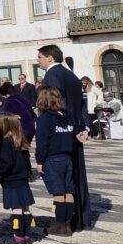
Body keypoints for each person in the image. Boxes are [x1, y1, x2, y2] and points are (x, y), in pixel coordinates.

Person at [37, 44, 92, 231]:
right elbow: (81, 104)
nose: (39, 61)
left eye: (40, 57)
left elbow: (56, 105)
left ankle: (62, 223)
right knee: (75, 177)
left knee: (61, 185)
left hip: (59, 134)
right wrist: (83, 126)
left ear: (49, 58)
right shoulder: (71, 75)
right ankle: (79, 218)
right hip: (75, 130)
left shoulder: (52, 76)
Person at [35, 87, 77, 236]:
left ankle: (60, 225)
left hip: (52, 158)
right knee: (68, 191)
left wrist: (39, 161)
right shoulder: (68, 115)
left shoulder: (45, 118)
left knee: (58, 192)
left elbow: (42, 142)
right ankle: (68, 225)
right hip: (67, 157)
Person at [0, 113, 35, 244]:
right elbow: (27, 161)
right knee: (25, 207)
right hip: (23, 179)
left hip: (11, 179)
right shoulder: (21, 140)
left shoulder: (6, 142)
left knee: (16, 209)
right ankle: (27, 236)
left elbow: (6, 163)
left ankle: (18, 238)